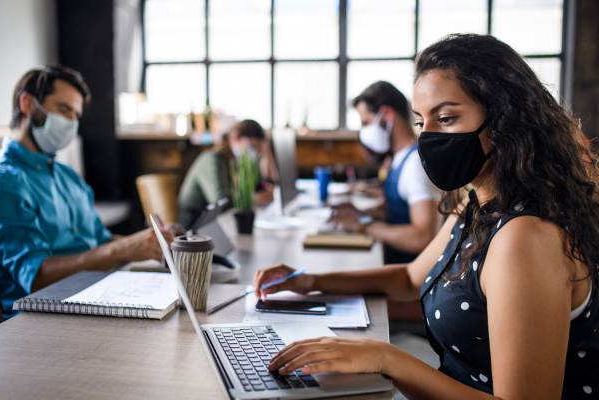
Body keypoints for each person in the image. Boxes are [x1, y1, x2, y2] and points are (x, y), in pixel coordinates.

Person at [253, 34, 599, 399]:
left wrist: (386, 359)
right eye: (421, 123)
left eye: (446, 118)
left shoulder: (525, 237)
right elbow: (407, 277)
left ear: (504, 121)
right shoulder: (479, 206)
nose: (428, 139)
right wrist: (309, 282)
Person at [0, 66, 175, 320]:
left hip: (98, 297)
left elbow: (101, 241)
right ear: (28, 104)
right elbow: (37, 278)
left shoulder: (68, 177)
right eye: (64, 109)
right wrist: (120, 251)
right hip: (43, 319)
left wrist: (150, 243)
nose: (71, 123)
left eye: (75, 115)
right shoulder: (0, 184)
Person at [334, 81, 443, 265]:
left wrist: (362, 225)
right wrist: (360, 213)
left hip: (409, 280)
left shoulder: (416, 164)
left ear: (386, 114)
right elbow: (396, 211)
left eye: (366, 122)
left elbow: (422, 236)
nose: (364, 131)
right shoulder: (399, 158)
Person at [176, 119, 277, 230]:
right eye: (256, 146)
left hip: (222, 226)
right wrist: (257, 199)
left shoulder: (241, 163)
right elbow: (221, 202)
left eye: (261, 149)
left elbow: (262, 185)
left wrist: (267, 157)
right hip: (195, 229)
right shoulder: (212, 159)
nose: (257, 153)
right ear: (236, 139)